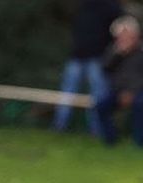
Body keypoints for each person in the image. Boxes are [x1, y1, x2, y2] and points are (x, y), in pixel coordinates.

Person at [51, 0, 123, 135]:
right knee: (67, 92)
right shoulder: (82, 5)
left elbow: (117, 30)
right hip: (77, 55)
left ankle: (96, 129)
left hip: (97, 57)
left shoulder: (112, 7)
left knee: (98, 94)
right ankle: (59, 126)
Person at [95, 15, 143, 147]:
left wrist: (131, 92)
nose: (123, 39)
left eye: (126, 35)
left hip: (140, 91)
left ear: (135, 35)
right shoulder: (115, 50)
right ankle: (111, 140)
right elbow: (105, 68)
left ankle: (141, 143)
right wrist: (118, 54)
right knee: (101, 105)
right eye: (119, 36)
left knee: (142, 103)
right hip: (118, 91)